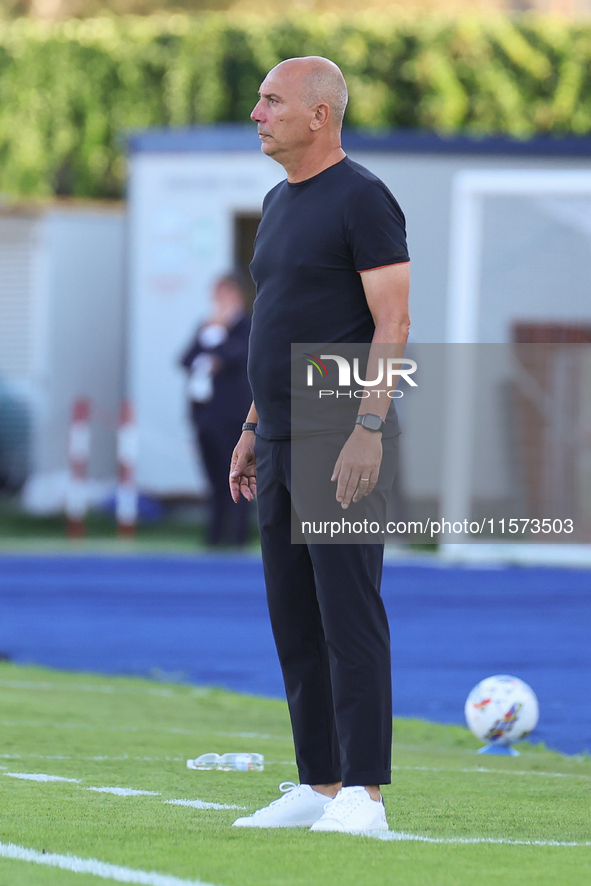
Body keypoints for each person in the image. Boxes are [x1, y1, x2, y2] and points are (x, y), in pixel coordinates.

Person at [229, 57, 410, 832]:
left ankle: (364, 795)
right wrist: (247, 427)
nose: (256, 112)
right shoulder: (276, 201)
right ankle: (319, 783)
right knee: (293, 616)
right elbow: (278, 320)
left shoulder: (363, 198)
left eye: (271, 100)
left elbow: (391, 323)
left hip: (340, 428)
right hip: (275, 435)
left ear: (318, 116)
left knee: (348, 614)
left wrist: (368, 426)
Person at [180, 273, 251, 546]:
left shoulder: (245, 326)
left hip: (232, 415)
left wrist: (216, 344)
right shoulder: (206, 327)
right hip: (204, 415)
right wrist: (210, 336)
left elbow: (235, 357)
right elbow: (185, 359)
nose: (219, 303)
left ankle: (239, 537)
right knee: (213, 478)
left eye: (224, 296)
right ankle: (214, 536)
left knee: (236, 474)